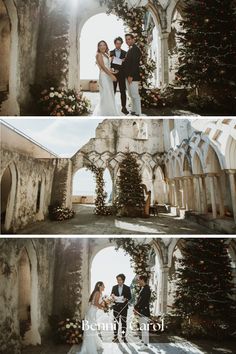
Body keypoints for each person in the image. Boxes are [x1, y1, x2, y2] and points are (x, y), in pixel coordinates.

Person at [93, 40, 120, 116]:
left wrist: (113, 72)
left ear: (106, 46)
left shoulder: (105, 54)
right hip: (104, 76)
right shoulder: (98, 55)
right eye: (100, 45)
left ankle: (111, 111)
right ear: (98, 47)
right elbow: (103, 67)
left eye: (104, 45)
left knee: (110, 93)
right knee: (106, 93)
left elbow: (108, 67)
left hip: (108, 76)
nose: (102, 46)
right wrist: (111, 75)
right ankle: (105, 113)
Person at [80, 281, 105, 354]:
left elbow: (97, 303)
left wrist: (105, 304)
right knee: (91, 329)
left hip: (92, 311)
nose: (104, 287)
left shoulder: (99, 293)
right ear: (99, 286)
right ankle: (89, 348)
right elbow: (95, 303)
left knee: (92, 328)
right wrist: (103, 308)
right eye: (103, 286)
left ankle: (93, 344)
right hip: (91, 312)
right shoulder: (97, 293)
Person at [124, 33, 142, 116]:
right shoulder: (130, 49)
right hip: (128, 76)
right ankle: (134, 110)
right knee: (131, 95)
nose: (127, 41)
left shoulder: (135, 49)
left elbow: (135, 64)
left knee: (135, 94)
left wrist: (131, 75)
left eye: (129, 39)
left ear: (133, 39)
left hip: (133, 76)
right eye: (126, 39)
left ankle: (138, 112)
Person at [110, 37, 128, 115]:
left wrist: (117, 60)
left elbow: (126, 64)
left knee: (122, 91)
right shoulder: (110, 52)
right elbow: (109, 64)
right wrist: (113, 70)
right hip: (113, 74)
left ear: (121, 44)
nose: (118, 45)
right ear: (115, 44)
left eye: (120, 43)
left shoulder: (125, 52)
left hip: (122, 74)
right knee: (112, 91)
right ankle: (111, 107)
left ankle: (124, 107)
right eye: (117, 43)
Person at [111, 273, 132, 343]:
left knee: (123, 322)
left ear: (123, 280)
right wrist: (113, 296)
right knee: (115, 322)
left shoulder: (127, 288)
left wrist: (125, 299)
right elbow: (111, 295)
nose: (118, 281)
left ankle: (123, 336)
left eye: (120, 280)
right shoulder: (114, 287)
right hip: (116, 308)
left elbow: (130, 297)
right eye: (117, 280)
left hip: (124, 308)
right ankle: (115, 336)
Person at [134, 275, 151, 352]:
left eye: (139, 280)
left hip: (144, 311)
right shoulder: (143, 288)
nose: (138, 282)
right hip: (141, 311)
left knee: (144, 329)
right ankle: (143, 342)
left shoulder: (146, 289)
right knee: (143, 328)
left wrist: (136, 307)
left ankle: (145, 345)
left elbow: (142, 301)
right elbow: (139, 300)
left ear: (143, 280)